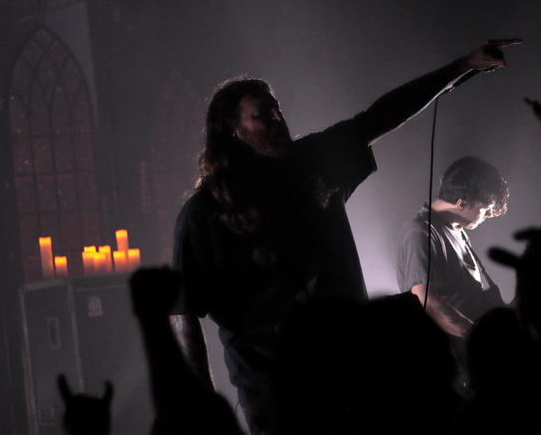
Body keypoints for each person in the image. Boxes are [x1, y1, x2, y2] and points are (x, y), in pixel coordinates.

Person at [170, 39, 521, 434]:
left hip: (354, 374)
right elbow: (183, 314)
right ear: (233, 131)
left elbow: (380, 116)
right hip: (278, 390)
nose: (277, 117)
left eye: (277, 107)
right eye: (262, 114)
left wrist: (462, 66)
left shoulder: (312, 162)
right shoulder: (205, 214)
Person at [397, 156, 510, 395]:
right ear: (462, 203)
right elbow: (428, 303)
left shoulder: (456, 229)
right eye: (484, 210)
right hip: (457, 372)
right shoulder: (421, 233)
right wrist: (481, 340)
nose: (488, 215)